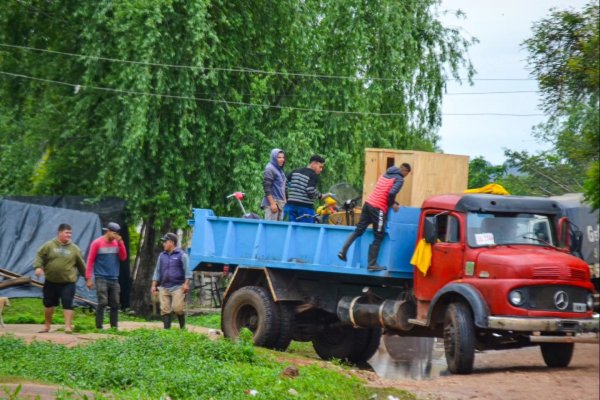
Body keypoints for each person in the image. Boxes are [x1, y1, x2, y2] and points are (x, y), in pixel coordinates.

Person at [337, 163, 412, 271]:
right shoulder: (400, 179)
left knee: (359, 230)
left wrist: (392, 201)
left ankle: (343, 251)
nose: (406, 176)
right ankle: (372, 264)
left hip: (368, 204)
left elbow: (384, 191)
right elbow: (391, 194)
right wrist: (393, 204)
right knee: (379, 235)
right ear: (405, 172)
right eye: (407, 174)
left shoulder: (386, 174)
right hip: (378, 208)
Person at [34, 223, 86, 333]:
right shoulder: (49, 245)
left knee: (68, 303)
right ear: (60, 233)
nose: (69, 235)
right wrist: (38, 267)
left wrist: (88, 278)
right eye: (67, 233)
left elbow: (81, 265)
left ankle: (67, 327)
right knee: (48, 304)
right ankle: (47, 326)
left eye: (70, 233)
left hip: (68, 282)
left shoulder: (75, 249)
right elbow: (39, 255)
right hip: (51, 281)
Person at [85, 222, 127, 330]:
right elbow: (90, 261)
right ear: (107, 231)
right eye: (114, 233)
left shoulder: (117, 243)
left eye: (117, 233)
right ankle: (99, 326)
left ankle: (114, 327)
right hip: (101, 277)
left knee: (115, 303)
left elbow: (123, 257)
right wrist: (88, 278)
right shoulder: (97, 243)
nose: (115, 235)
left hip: (114, 277)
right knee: (103, 302)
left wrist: (121, 243)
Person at [151, 232, 192, 329]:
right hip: (164, 287)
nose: (163, 244)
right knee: (165, 310)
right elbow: (157, 271)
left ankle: (182, 328)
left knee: (177, 308)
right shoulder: (161, 256)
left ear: (171, 242)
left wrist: (186, 284)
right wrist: (153, 285)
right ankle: (167, 331)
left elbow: (188, 271)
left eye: (165, 242)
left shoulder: (182, 255)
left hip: (178, 287)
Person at [284, 154, 330, 222]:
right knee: (308, 230)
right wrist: (321, 196)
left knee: (293, 229)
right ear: (314, 163)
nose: (321, 170)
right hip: (305, 208)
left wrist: (287, 197)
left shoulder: (295, 171)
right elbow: (310, 190)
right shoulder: (313, 175)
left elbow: (283, 183)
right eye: (320, 167)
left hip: (291, 206)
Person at [261, 148, 286, 221]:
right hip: (272, 204)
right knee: (271, 229)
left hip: (280, 204)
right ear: (274, 158)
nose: (282, 159)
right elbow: (267, 187)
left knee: (278, 230)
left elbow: (282, 187)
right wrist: (272, 204)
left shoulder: (279, 170)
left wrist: (285, 200)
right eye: (279, 157)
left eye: (283, 157)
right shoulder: (270, 168)